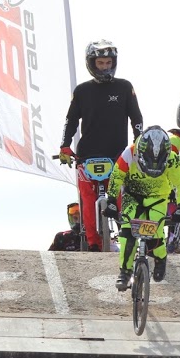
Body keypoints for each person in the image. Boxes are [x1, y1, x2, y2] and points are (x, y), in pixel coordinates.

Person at [58, 40, 144, 251]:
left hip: (118, 154)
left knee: (123, 194)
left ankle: (127, 236)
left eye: (108, 62)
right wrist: (65, 146)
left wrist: (140, 142)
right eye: (100, 63)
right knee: (87, 198)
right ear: (92, 64)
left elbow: (137, 118)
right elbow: (70, 120)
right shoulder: (82, 91)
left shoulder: (124, 87)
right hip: (87, 155)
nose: (105, 66)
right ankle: (93, 242)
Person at [103, 127, 180, 290]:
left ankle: (160, 258)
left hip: (158, 198)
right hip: (132, 196)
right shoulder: (129, 154)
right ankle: (125, 271)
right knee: (127, 233)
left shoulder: (171, 158)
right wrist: (112, 200)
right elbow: (116, 176)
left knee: (154, 232)